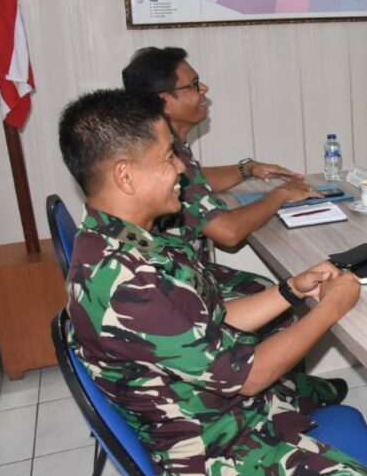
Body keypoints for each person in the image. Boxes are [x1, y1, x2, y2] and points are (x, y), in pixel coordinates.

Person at [58, 89, 367, 476]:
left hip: (221, 411)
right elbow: (250, 378)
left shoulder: (126, 241)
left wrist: (291, 289)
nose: (181, 170)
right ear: (125, 176)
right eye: (168, 157)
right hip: (216, 455)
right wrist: (330, 309)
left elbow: (212, 315)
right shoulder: (129, 281)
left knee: (306, 387)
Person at [122, 47, 322, 300]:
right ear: (165, 101)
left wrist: (248, 168)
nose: (204, 88)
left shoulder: (154, 144)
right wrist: (282, 193)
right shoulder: (166, 151)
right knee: (273, 294)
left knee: (265, 286)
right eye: (194, 85)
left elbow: (194, 180)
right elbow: (228, 232)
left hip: (173, 268)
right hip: (171, 283)